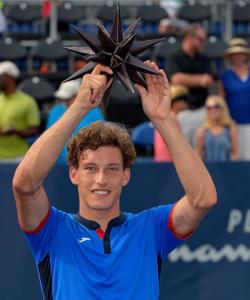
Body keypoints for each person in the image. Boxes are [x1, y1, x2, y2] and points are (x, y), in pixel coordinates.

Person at [12, 62, 217, 300]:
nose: (101, 179)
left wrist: (163, 118)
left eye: (112, 169)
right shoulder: (53, 230)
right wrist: (79, 107)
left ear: (125, 175)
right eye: (90, 168)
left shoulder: (150, 228)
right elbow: (24, 185)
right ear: (73, 174)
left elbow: (203, 199)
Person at [46, 79, 104, 164]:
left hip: (86, 162)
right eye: (63, 98)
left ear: (78, 96)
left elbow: (100, 139)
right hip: (59, 164)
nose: (65, 101)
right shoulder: (55, 112)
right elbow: (49, 138)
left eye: (68, 98)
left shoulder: (94, 112)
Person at [0, 61, 40, 162]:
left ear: (10, 78)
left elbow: (34, 129)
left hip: (18, 157)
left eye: (1, 76)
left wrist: (15, 131)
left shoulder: (27, 101)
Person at [167, 23, 213, 109]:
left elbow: (208, 80)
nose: (204, 43)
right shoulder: (174, 57)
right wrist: (200, 80)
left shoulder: (205, 58)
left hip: (201, 106)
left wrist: (186, 80)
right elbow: (176, 79)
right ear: (189, 38)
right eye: (201, 39)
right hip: (180, 108)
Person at [219, 38, 250, 160]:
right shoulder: (226, 76)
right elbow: (221, 101)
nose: (238, 57)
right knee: (236, 159)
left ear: (245, 55)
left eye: (240, 53)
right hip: (233, 125)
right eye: (234, 54)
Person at [195, 95, 239, 162]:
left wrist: (232, 168)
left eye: (216, 107)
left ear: (222, 108)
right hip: (208, 169)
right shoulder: (202, 130)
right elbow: (199, 153)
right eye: (209, 108)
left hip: (227, 169)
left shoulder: (231, 128)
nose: (213, 110)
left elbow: (235, 153)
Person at [154, 84, 190, 161]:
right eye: (184, 101)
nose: (187, 104)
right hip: (169, 164)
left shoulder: (169, 118)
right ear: (176, 102)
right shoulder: (170, 120)